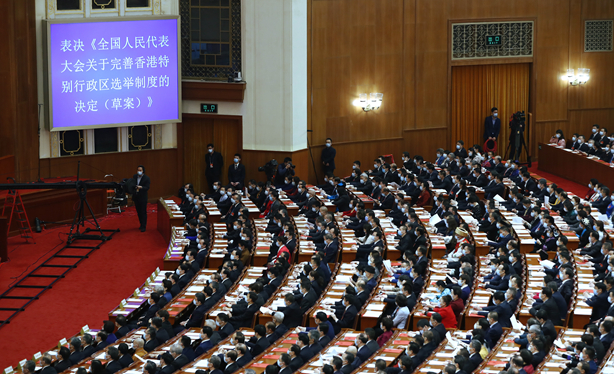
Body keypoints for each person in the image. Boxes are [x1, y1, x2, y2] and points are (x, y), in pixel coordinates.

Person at [133, 165, 150, 232]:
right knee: (138, 211)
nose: (139, 171)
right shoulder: (134, 176)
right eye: (138, 170)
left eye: (140, 170)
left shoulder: (146, 178)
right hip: (136, 196)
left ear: (143, 171)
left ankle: (144, 226)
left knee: (143, 212)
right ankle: (141, 224)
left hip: (143, 197)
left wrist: (141, 187)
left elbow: (147, 188)